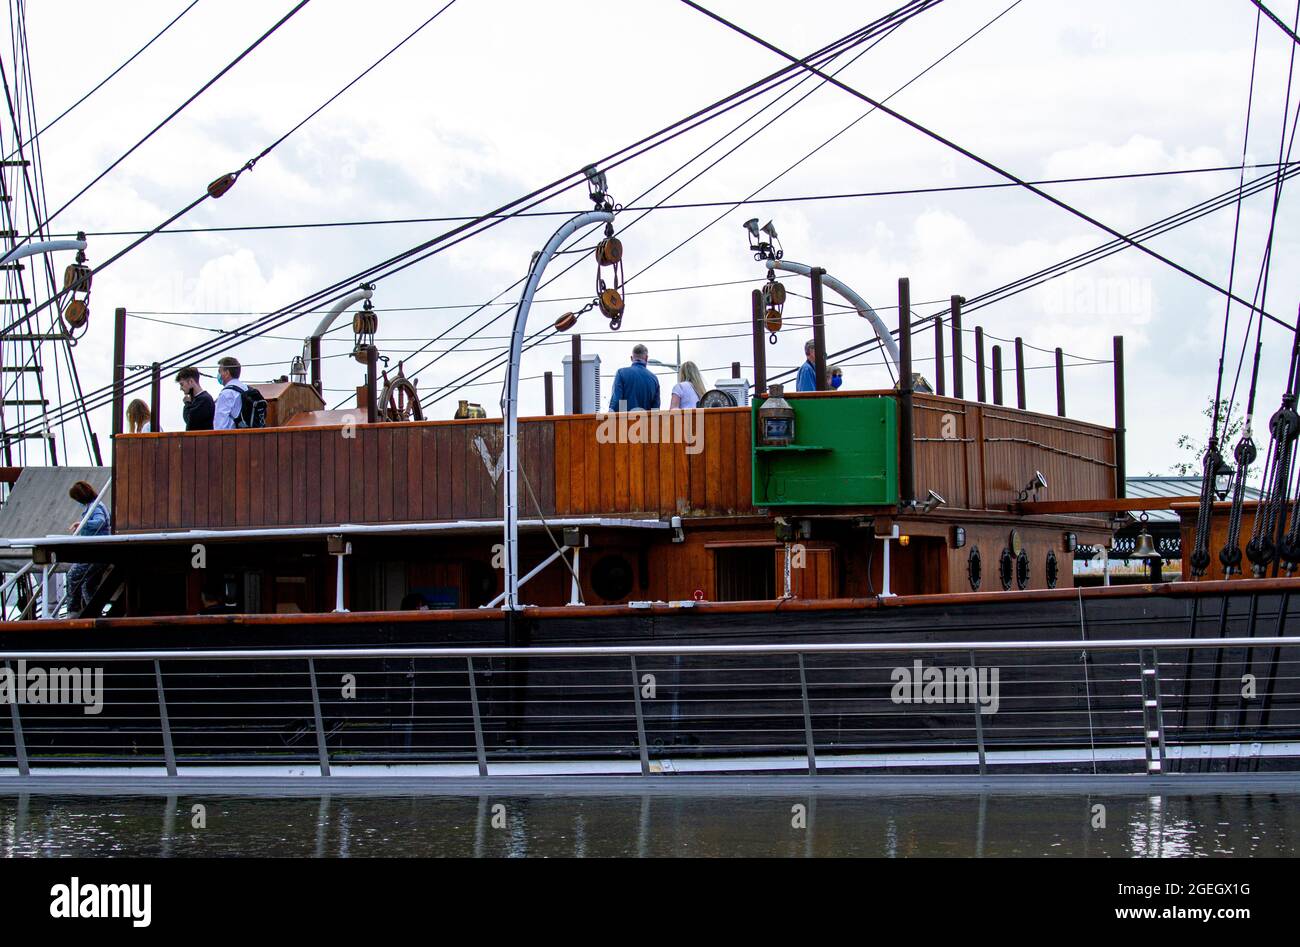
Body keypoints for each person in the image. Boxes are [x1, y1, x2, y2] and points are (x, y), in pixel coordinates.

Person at [65, 480, 109, 614]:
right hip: (99, 551)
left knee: (73, 576)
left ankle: (74, 610)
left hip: (95, 552)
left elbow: (100, 521)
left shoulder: (95, 507)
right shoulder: (96, 505)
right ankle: (93, 611)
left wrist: (83, 524)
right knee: (88, 585)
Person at [609, 343, 661, 411]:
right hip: (646, 421)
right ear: (646, 358)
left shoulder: (621, 373)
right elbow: (655, 409)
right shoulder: (654, 379)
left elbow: (616, 401)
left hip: (625, 420)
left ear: (631, 358)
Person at [213, 356, 248, 430]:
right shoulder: (245, 388)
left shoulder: (226, 393)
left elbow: (220, 425)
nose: (218, 374)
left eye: (220, 371)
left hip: (230, 438)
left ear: (227, 373)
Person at [176, 366, 215, 431]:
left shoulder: (204, 400)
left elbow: (190, 421)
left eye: (182, 384)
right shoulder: (201, 399)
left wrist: (187, 403)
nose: (181, 388)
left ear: (191, 382)